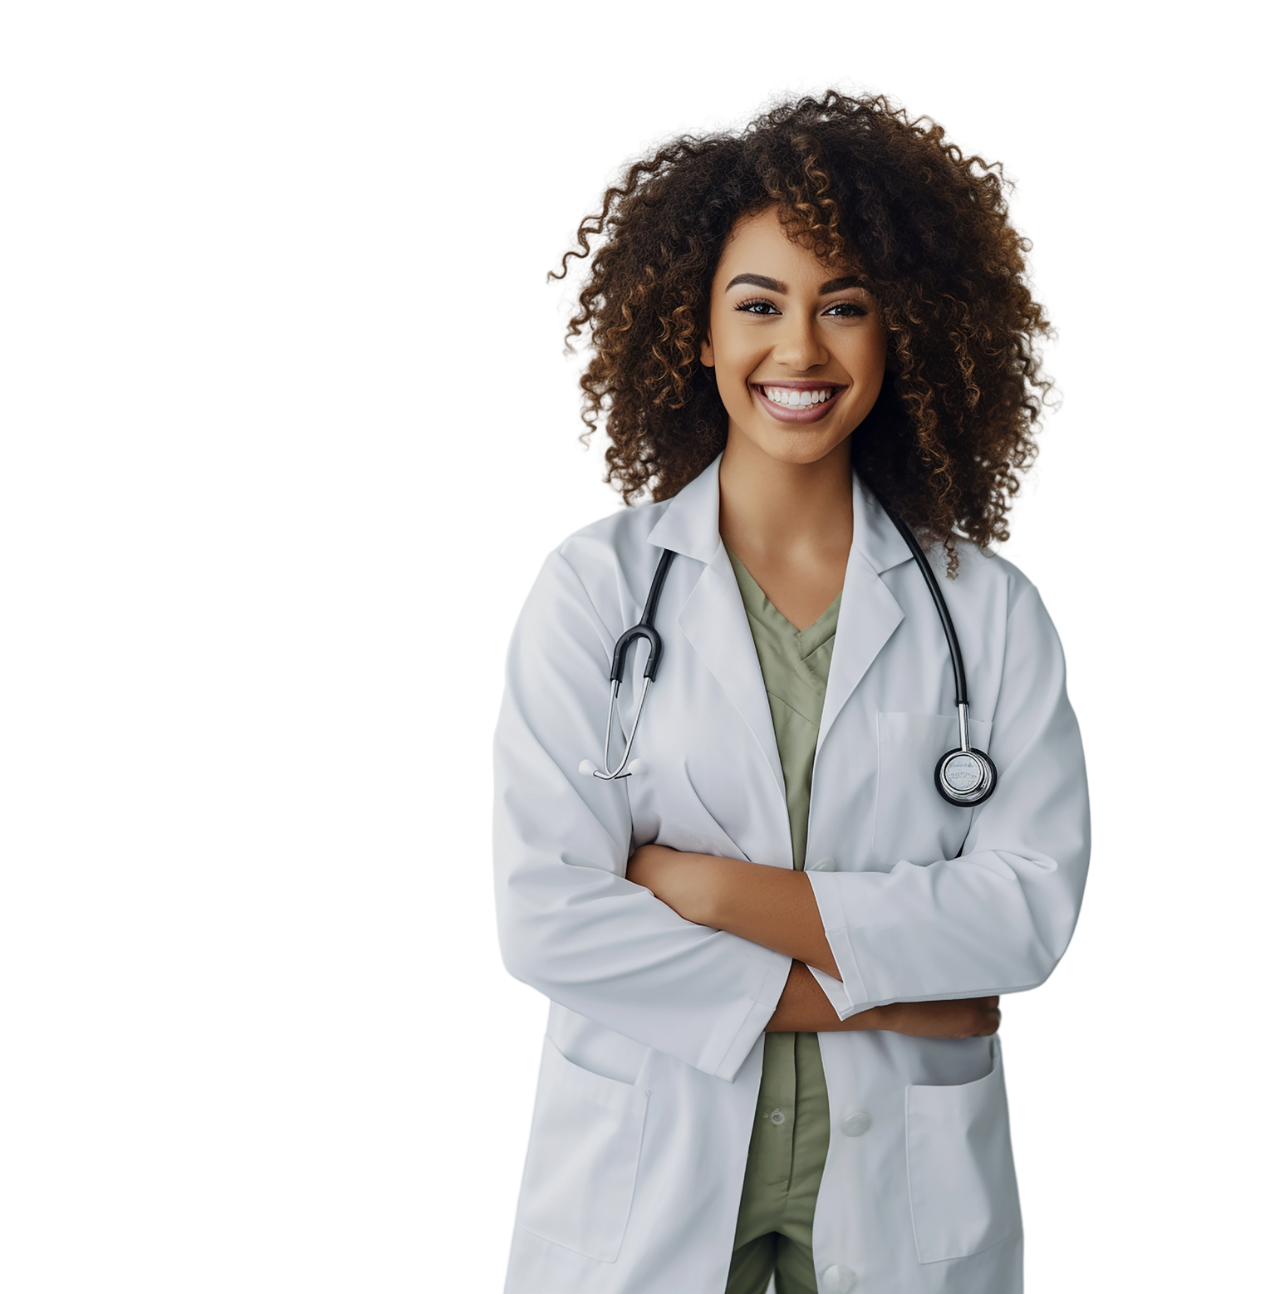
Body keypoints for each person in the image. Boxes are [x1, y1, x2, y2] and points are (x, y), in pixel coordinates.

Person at [492, 80, 1090, 1294]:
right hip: (647, 1184)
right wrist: (874, 1001)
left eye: (846, 307)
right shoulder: (596, 593)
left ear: (899, 332)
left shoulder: (988, 612)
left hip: (902, 1199)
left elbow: (1024, 913)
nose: (800, 349)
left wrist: (705, 888)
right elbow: (548, 915)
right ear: (697, 331)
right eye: (757, 304)